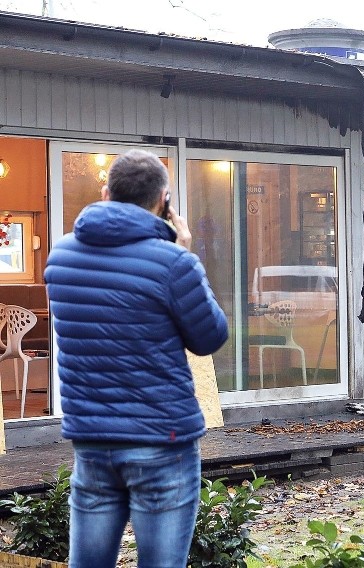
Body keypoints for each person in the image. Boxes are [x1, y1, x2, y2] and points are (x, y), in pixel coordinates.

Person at [45, 149, 229, 567]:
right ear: (164, 200)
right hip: (161, 442)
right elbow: (209, 337)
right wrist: (183, 250)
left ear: (105, 192)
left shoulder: (61, 258)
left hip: (92, 443)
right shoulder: (174, 263)